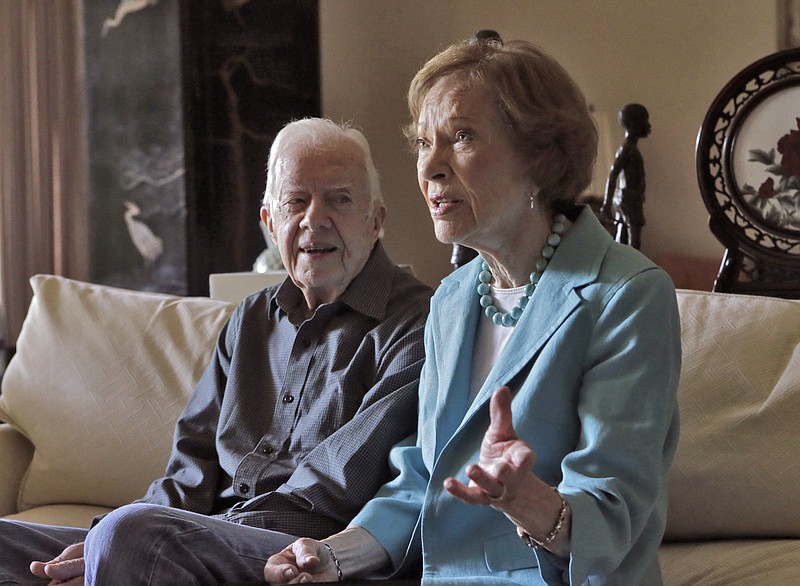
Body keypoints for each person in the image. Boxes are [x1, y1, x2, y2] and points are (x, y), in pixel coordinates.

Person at [265, 36, 680, 586]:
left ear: (539, 153)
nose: (430, 168)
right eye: (422, 142)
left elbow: (613, 513)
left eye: (460, 137)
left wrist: (524, 500)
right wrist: (331, 557)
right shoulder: (454, 297)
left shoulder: (627, 294)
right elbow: (419, 482)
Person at [0, 118, 433, 585]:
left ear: (376, 221)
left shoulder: (415, 322)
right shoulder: (250, 320)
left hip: (304, 555)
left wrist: (158, 535)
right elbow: (192, 464)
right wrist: (101, 543)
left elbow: (334, 490)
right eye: (296, 201)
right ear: (270, 222)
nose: (314, 219)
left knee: (133, 536)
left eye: (340, 199)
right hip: (200, 536)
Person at [601, 103, 652, 249]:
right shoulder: (627, 149)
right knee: (633, 241)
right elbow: (613, 175)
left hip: (627, 198)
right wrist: (606, 204)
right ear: (634, 124)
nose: (649, 126)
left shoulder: (629, 148)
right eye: (645, 121)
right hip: (630, 200)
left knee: (622, 236)